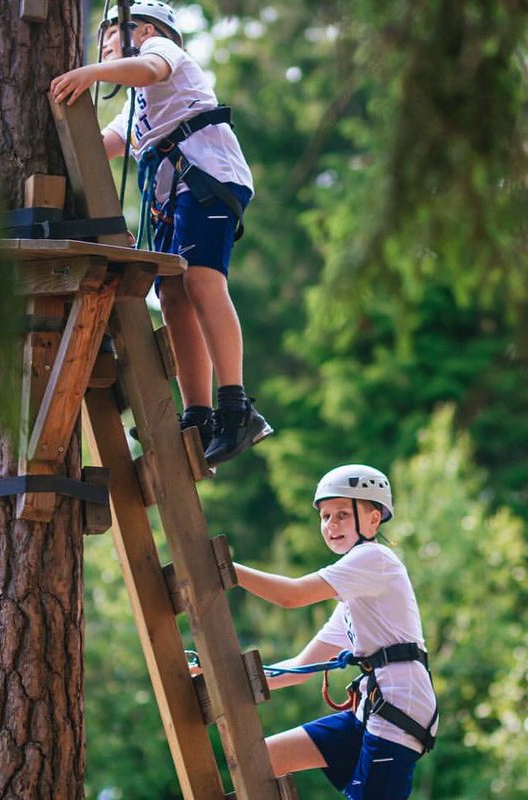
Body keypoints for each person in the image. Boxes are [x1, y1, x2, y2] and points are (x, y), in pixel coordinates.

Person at [50, 0, 272, 466]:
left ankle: (237, 406)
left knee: (202, 281)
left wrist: (90, 74)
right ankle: (199, 413)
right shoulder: (137, 107)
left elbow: (148, 67)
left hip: (209, 181)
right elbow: (107, 145)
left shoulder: (164, 54)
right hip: (177, 198)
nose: (105, 46)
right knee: (171, 295)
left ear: (141, 29)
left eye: (109, 36)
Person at [233, 465, 439, 799]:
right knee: (261, 759)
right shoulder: (352, 603)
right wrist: (223, 677)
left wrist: (225, 569)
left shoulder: (374, 559)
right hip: (372, 709)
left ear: (373, 520)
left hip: (398, 709)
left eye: (342, 514)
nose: (331, 525)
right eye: (325, 516)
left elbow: (291, 595)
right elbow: (298, 669)